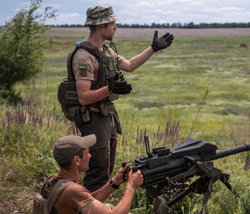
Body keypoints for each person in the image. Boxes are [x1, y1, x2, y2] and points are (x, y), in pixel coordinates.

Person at [71, 6, 174, 192]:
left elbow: (129, 65)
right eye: (113, 23)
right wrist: (109, 89)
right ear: (102, 26)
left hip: (106, 116)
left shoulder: (107, 52)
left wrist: (153, 48)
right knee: (97, 174)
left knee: (107, 170)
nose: (116, 28)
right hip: (92, 119)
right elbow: (83, 97)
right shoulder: (84, 56)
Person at [41, 134, 178, 214]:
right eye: (87, 153)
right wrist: (131, 187)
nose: (89, 156)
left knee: (107, 208)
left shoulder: (55, 181)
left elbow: (87, 201)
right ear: (76, 160)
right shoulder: (72, 190)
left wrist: (114, 182)